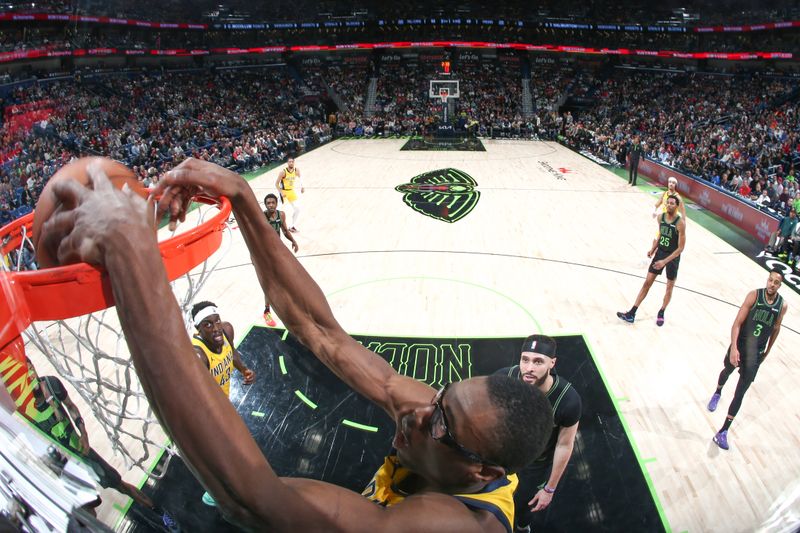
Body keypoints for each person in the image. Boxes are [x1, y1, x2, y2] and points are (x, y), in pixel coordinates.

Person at [39, 158, 554, 532]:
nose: (419, 412)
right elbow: (320, 331)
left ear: (483, 471)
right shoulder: (434, 415)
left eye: (441, 422)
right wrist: (242, 196)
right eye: (440, 399)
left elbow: (254, 500)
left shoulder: (450, 526)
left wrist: (133, 256)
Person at [27, 370, 179, 532]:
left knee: (121, 485)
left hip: (82, 453)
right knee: (87, 507)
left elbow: (71, 407)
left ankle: (160, 514)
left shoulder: (51, 383)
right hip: (63, 464)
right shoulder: (24, 405)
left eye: (30, 368)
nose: (29, 373)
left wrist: (83, 434)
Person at [493, 335, 581, 533]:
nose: (529, 368)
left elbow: (565, 445)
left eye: (538, 361)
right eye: (525, 359)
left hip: (534, 466)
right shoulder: (502, 378)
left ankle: (522, 527)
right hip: (501, 456)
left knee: (524, 508)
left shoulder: (567, 400)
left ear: (552, 362)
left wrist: (549, 489)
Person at [707, 268, 787, 450]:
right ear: (767, 279)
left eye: (776, 282)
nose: (772, 284)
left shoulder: (782, 306)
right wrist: (734, 347)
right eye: (770, 280)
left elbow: (776, 329)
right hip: (740, 346)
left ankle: (723, 431)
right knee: (726, 371)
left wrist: (767, 351)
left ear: (780, 286)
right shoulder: (754, 296)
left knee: (740, 392)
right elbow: (737, 323)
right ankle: (718, 392)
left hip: (755, 354)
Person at [190, 300, 256, 506]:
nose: (216, 327)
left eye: (216, 320)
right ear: (198, 330)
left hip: (222, 403)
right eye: (208, 324)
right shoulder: (198, 355)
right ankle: (215, 492)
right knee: (219, 453)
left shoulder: (226, 331)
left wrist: (243, 369)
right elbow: (199, 396)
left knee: (233, 447)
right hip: (206, 411)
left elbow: (232, 353)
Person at [617, 194, 686, 326]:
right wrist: (653, 249)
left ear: (677, 206)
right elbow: (661, 235)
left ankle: (661, 311)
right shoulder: (660, 218)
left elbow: (681, 248)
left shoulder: (680, 223)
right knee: (647, 283)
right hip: (660, 253)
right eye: (668, 203)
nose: (669, 205)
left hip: (673, 257)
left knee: (669, 288)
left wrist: (664, 261)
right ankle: (632, 313)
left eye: (672, 203)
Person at [262, 193, 299, 327]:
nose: (271, 205)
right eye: (268, 203)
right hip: (265, 253)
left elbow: (284, 230)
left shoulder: (281, 214)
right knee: (269, 283)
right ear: (265, 205)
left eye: (273, 202)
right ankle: (267, 311)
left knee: (286, 278)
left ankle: (289, 306)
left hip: (278, 250)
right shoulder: (262, 216)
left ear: (276, 203)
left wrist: (293, 241)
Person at [275, 157, 304, 232]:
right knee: (278, 210)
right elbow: (276, 184)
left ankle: (292, 226)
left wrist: (302, 186)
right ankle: (272, 225)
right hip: (283, 191)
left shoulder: (296, 170)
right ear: (287, 163)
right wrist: (281, 192)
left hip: (291, 191)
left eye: (292, 161)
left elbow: (300, 177)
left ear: (294, 162)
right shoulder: (283, 172)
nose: (291, 163)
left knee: (297, 209)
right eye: (289, 162)